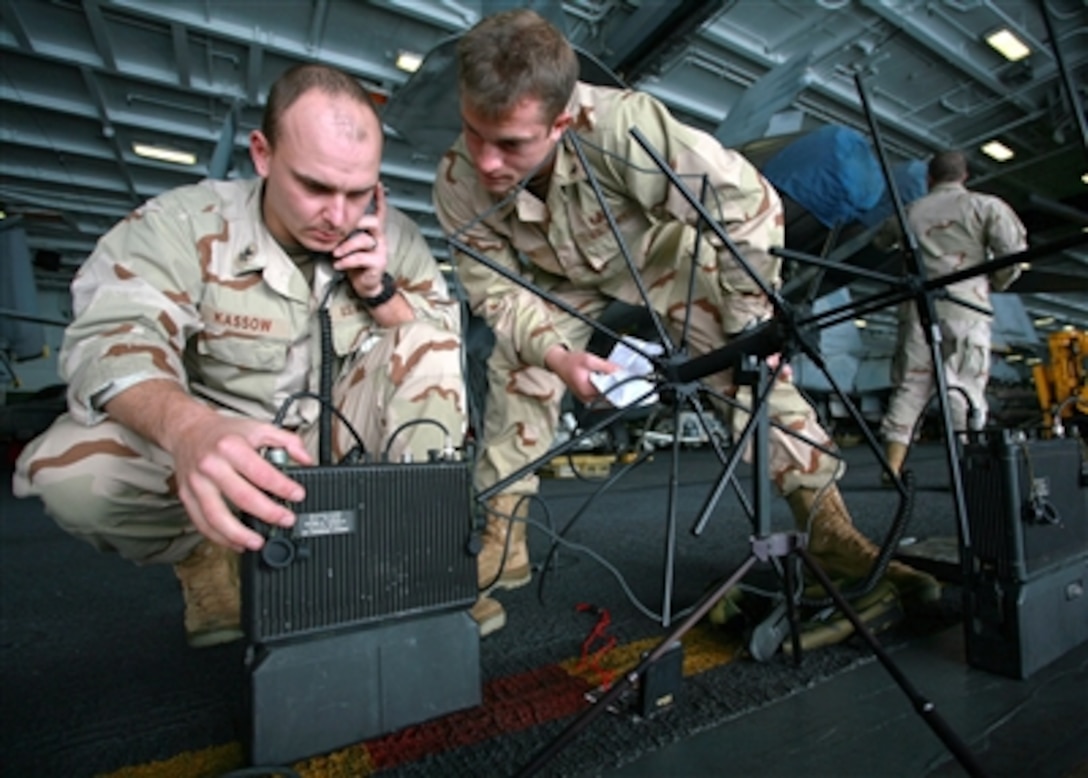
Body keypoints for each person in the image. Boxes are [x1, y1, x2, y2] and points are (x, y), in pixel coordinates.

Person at [433, 9, 941, 638]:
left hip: (662, 255)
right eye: (472, 131)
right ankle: (501, 543)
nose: (484, 161)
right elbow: (497, 292)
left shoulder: (622, 128)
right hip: (554, 283)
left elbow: (748, 203)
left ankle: (833, 537)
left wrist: (755, 326)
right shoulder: (458, 179)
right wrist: (558, 356)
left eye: (510, 144)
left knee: (750, 369)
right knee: (517, 364)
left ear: (561, 122)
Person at [10, 63, 490, 648]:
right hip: (230, 444)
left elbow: (440, 354)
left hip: (352, 448)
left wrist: (379, 293)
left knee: (430, 337)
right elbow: (113, 340)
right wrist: (190, 430)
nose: (338, 216)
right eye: (315, 187)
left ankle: (413, 554)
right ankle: (206, 553)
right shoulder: (183, 225)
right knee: (71, 473)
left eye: (359, 192)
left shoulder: (398, 239)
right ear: (262, 154)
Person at [878, 150, 1026, 481]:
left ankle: (892, 467)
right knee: (964, 385)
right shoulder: (986, 207)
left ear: (929, 178)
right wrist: (993, 283)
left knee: (909, 387)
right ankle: (967, 469)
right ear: (965, 176)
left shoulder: (910, 212)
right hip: (965, 309)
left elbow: (881, 240)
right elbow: (1012, 255)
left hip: (917, 311)